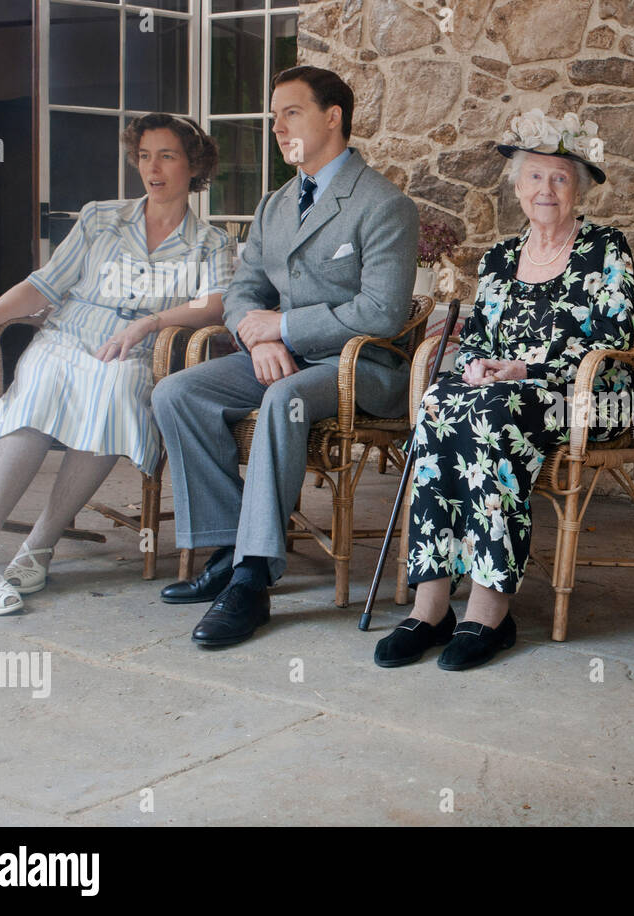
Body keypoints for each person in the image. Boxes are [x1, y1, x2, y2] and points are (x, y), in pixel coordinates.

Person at [151, 66, 418, 648]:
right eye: (274, 116)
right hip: (282, 357)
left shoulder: (383, 203)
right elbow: (245, 289)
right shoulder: (275, 205)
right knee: (177, 391)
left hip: (361, 367)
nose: (276, 127)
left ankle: (252, 580)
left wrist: (288, 327)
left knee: (283, 399)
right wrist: (263, 338)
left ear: (332, 117)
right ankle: (228, 548)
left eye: (289, 113)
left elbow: (382, 313)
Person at [372, 110, 634, 672]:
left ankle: (490, 609)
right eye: (535, 177)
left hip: (587, 394)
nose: (547, 189)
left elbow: (613, 337)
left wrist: (521, 370)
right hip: (505, 393)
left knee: (491, 414)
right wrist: (477, 368)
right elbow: (476, 341)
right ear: (518, 187)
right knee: (441, 403)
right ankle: (432, 605)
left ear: (579, 190)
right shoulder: (498, 258)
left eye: (561, 178)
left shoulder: (607, 249)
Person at [0, 115, 231, 615]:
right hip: (69, 334)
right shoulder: (99, 217)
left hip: (136, 350)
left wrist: (149, 323)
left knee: (116, 390)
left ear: (195, 166)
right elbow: (45, 284)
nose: (153, 167)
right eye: (145, 155)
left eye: (167, 155)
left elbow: (214, 305)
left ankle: (39, 544)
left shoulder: (211, 242)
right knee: (38, 386)